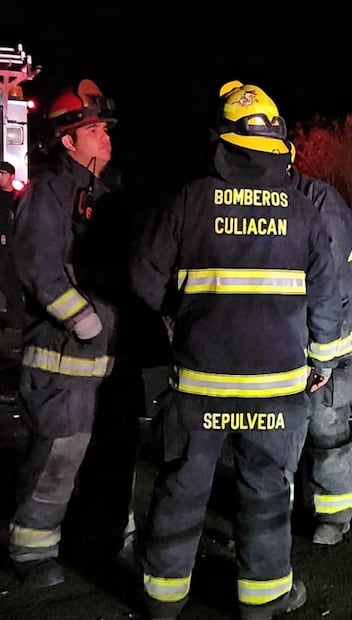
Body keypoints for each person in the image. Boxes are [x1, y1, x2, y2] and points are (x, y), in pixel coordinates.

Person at [130, 80, 344, 620]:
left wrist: (187, 311)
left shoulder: (189, 201)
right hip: (276, 390)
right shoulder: (301, 210)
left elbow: (144, 278)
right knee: (267, 494)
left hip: (200, 385)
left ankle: (163, 598)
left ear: (220, 141)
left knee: (182, 489)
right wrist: (320, 359)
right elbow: (327, 294)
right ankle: (262, 599)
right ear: (278, 143)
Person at [6, 78, 143, 588]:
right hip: (63, 360)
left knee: (113, 454)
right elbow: (37, 265)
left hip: (108, 361)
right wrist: (82, 320)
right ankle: (31, 548)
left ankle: (108, 539)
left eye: (106, 128)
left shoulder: (108, 194)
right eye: (94, 129)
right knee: (59, 455)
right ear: (68, 140)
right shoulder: (49, 192)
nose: (106, 136)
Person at [288, 164, 352, 545]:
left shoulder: (319, 201)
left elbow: (332, 282)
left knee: (328, 432)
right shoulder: (275, 198)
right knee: (285, 434)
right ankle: (279, 514)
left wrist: (323, 354)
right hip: (294, 340)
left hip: (330, 342)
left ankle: (334, 516)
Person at [0, 160, 23, 329]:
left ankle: (16, 318)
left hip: (13, 246)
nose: (0, 177)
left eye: (3, 173)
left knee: (11, 282)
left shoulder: (19, 197)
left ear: (12, 176)